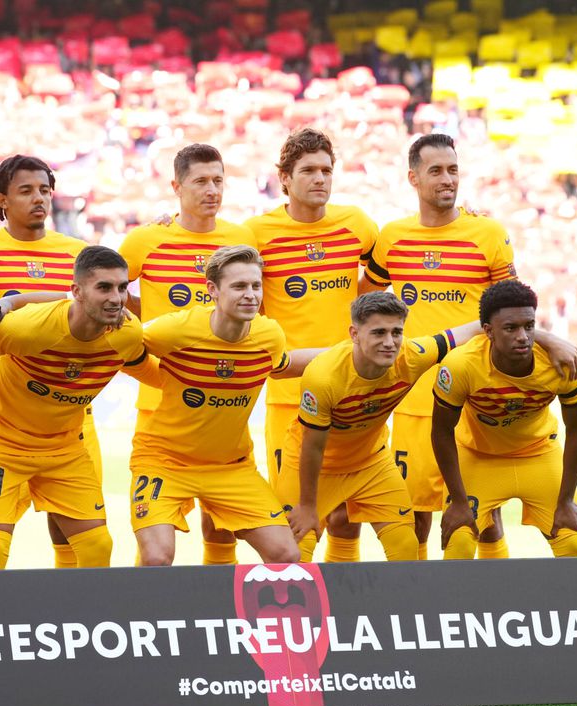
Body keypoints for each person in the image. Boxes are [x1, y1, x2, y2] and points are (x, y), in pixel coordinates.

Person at [281, 291, 577, 562]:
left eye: (397, 332)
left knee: (406, 547)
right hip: (312, 467)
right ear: (354, 334)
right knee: (293, 551)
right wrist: (307, 506)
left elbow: (480, 327)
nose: (389, 342)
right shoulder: (323, 377)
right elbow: (313, 445)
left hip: (370, 463)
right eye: (379, 333)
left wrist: (550, 339)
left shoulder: (412, 355)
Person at [365, 132, 519, 560]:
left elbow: (513, 309)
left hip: (474, 393)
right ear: (413, 178)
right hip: (413, 394)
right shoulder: (392, 238)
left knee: (483, 515)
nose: (447, 179)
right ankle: (418, 606)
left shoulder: (487, 233)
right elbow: (366, 301)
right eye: (436, 171)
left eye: (453, 169)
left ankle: (485, 603)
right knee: (415, 512)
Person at [0, 246, 155, 569]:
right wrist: (8, 303)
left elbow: (158, 375)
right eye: (104, 288)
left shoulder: (127, 335)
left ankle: (80, 619)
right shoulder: (27, 329)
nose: (117, 298)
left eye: (122, 287)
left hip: (64, 450)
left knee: (97, 547)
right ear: (77, 292)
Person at [132, 245, 321, 567]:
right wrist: (164, 378)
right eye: (239, 286)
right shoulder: (173, 329)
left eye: (256, 286)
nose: (250, 295)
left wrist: (356, 352)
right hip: (164, 461)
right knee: (156, 558)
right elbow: (124, 351)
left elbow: (284, 365)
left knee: (286, 555)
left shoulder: (269, 335)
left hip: (231, 467)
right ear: (213, 290)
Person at [118, 143, 258, 565]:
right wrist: (145, 320)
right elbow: (107, 290)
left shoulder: (241, 238)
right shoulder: (147, 239)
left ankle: (218, 617)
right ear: (176, 186)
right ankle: (146, 618)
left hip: (222, 402)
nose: (211, 189)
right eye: (200, 181)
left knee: (222, 528)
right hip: (161, 400)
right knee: (155, 540)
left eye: (218, 180)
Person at [244, 128, 380, 562]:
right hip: (289, 394)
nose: (320, 178)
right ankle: (293, 621)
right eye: (308, 171)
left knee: (346, 515)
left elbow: (376, 280)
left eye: (326, 170)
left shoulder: (356, 225)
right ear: (284, 178)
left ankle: (346, 606)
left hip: (354, 390)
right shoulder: (256, 234)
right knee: (296, 521)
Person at [0, 155, 92, 569]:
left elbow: (115, 303)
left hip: (72, 416)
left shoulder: (80, 253)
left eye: (45, 190)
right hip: (7, 413)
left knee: (82, 542)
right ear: (2, 198)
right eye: (26, 190)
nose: (40, 199)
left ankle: (71, 625)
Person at [432, 280, 577, 559]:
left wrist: (566, 500)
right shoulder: (461, 366)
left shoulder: (563, 364)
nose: (523, 336)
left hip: (538, 453)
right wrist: (458, 501)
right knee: (459, 544)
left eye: (529, 326)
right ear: (488, 332)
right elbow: (441, 431)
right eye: (511, 328)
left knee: (572, 543)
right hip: (479, 457)